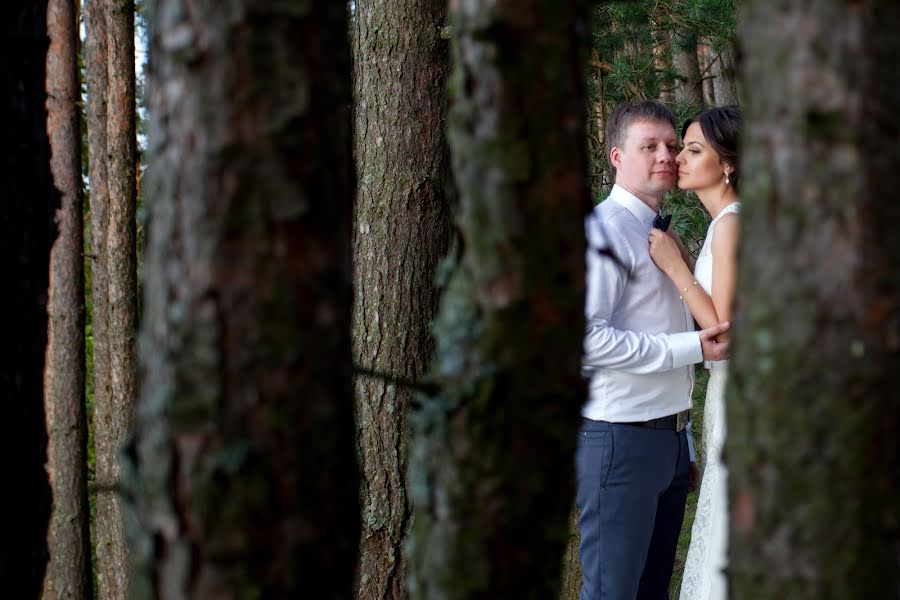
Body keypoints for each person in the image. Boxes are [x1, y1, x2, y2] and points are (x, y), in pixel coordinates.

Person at [578, 99, 730, 600]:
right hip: (619, 440)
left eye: (672, 145)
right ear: (617, 156)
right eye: (650, 147)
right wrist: (690, 347)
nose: (666, 155)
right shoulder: (602, 232)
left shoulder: (662, 232)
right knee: (612, 592)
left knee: (651, 591)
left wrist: (680, 441)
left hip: (667, 440)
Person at [648, 105, 742, 600]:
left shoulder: (731, 223)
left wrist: (675, 269)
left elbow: (722, 336)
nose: (678, 158)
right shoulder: (722, 225)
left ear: (727, 163)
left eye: (693, 149)